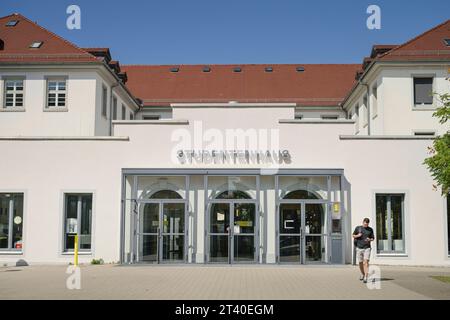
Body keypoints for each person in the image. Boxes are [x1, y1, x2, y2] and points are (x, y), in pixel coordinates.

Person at [353, 218, 375, 283]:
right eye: (365, 223)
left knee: (366, 262)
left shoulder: (370, 229)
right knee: (360, 263)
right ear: (363, 222)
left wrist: (369, 239)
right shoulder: (358, 228)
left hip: (367, 248)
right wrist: (358, 235)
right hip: (359, 248)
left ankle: (366, 276)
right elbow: (353, 235)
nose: (366, 224)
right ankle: (363, 274)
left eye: (367, 224)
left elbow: (373, 238)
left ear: (368, 223)